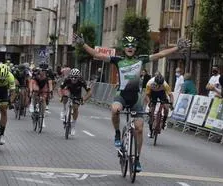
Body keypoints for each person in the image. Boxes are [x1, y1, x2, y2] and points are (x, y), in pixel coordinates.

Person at [73, 34, 190, 172]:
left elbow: (160, 54)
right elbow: (97, 54)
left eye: (132, 46)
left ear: (135, 49)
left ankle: (137, 160)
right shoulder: (118, 60)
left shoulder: (141, 60)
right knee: (115, 109)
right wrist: (83, 44)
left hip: (135, 98)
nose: (130, 48)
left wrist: (176, 47)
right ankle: (117, 133)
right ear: (124, 48)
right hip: (121, 96)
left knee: (139, 129)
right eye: (127, 45)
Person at [58, 68, 92, 136]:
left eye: (75, 78)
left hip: (77, 93)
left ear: (78, 77)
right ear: (70, 76)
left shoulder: (81, 81)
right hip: (68, 90)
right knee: (65, 96)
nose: (73, 79)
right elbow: (60, 88)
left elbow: (89, 92)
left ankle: (73, 125)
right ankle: (64, 109)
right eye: (72, 77)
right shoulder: (67, 79)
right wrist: (60, 96)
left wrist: (84, 99)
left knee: (75, 107)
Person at [145, 72, 174, 137]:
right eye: (158, 84)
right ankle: (151, 129)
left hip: (161, 93)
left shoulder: (165, 84)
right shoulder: (149, 83)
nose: (159, 86)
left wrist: (171, 104)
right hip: (153, 93)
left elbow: (171, 95)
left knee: (166, 107)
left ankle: (164, 121)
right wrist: (149, 102)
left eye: (160, 84)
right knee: (151, 109)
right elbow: (147, 95)